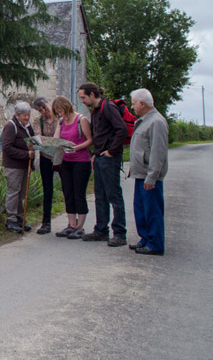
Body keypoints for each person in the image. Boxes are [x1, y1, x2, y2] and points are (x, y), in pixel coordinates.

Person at [78, 82, 128, 246]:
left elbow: (121, 129)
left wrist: (111, 151)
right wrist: (95, 154)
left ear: (92, 94)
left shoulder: (108, 107)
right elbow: (100, 134)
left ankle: (119, 233)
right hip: (100, 157)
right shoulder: (96, 110)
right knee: (100, 195)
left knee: (113, 195)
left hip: (109, 158)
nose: (82, 101)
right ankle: (101, 230)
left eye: (83, 97)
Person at [127, 88, 168, 255]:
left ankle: (155, 243)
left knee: (152, 211)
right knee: (141, 210)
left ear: (142, 104)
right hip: (140, 174)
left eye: (134, 104)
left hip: (149, 176)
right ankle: (145, 238)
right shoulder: (145, 120)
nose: (132, 107)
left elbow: (158, 152)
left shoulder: (156, 122)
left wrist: (152, 176)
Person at [51, 96, 93, 239]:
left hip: (81, 161)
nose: (59, 113)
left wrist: (76, 147)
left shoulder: (81, 120)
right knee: (68, 192)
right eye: (57, 112)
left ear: (66, 106)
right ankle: (71, 224)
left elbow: (90, 140)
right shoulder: (61, 122)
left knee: (78, 193)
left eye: (60, 110)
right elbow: (56, 139)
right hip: (66, 161)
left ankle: (80, 226)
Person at [1, 101, 36, 233]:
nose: (27, 118)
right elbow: (7, 147)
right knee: (13, 192)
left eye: (28, 115)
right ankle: (11, 220)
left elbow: (31, 140)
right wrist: (26, 154)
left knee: (22, 193)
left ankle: (21, 218)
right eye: (24, 115)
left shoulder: (27, 126)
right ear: (17, 114)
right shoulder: (11, 126)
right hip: (14, 166)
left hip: (24, 165)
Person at [32, 97, 57, 234]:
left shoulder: (59, 117)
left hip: (61, 156)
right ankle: (46, 222)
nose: (43, 111)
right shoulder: (39, 121)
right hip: (46, 156)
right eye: (40, 110)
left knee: (68, 187)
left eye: (44, 108)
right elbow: (38, 138)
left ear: (49, 104)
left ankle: (73, 222)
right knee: (47, 189)